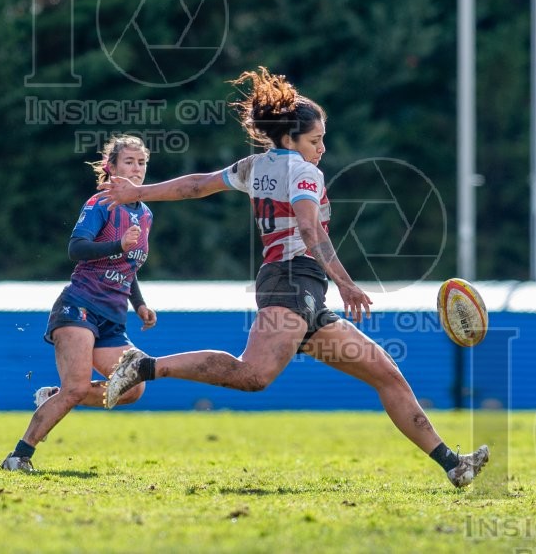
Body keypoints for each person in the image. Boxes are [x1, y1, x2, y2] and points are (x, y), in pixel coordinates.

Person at [97, 68, 489, 488]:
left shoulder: (254, 165)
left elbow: (196, 186)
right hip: (293, 281)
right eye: (315, 139)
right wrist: (344, 280)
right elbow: (308, 228)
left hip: (299, 289)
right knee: (254, 376)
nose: (322, 148)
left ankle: (453, 463)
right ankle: (145, 365)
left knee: (385, 372)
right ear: (289, 138)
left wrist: (139, 192)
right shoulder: (304, 172)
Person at [0, 135, 157, 472]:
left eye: (141, 162)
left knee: (133, 388)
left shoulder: (145, 214)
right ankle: (18, 456)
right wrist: (118, 245)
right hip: (79, 306)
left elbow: (127, 266)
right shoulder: (101, 204)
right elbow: (77, 249)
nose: (137, 168)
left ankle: (57, 396)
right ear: (111, 167)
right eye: (129, 162)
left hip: (113, 318)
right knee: (76, 387)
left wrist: (140, 304)